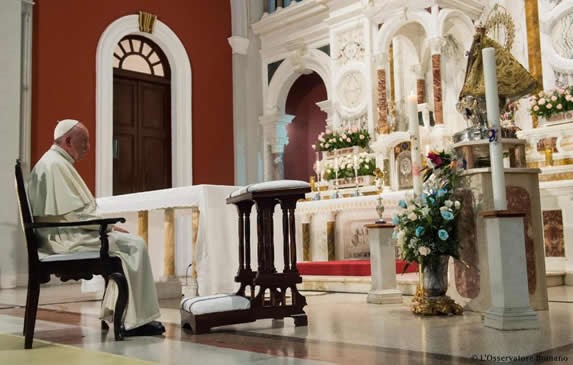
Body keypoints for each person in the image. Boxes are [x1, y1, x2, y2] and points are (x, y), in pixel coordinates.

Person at [27, 119, 165, 337]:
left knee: (128, 244)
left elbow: (70, 211)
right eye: (85, 141)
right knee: (134, 245)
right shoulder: (55, 165)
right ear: (68, 140)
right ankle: (134, 323)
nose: (88, 147)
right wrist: (107, 227)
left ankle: (121, 315)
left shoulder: (54, 161)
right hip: (66, 239)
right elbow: (74, 214)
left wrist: (106, 227)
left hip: (63, 233)